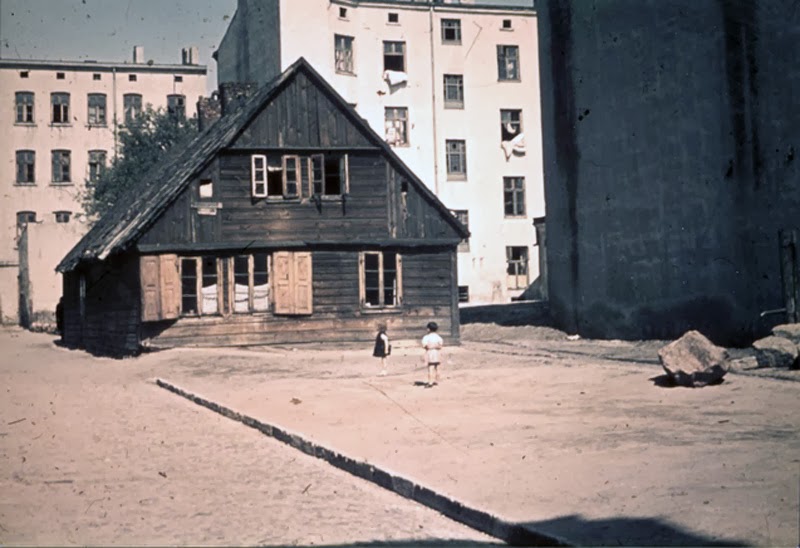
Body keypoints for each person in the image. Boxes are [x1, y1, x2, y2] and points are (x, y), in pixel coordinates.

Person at [421, 321, 444, 388]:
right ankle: (437, 380)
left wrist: (428, 347)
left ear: (428, 329)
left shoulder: (426, 337)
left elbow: (424, 345)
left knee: (431, 367)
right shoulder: (438, 337)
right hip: (437, 352)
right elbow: (440, 345)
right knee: (438, 366)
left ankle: (430, 382)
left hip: (430, 352)